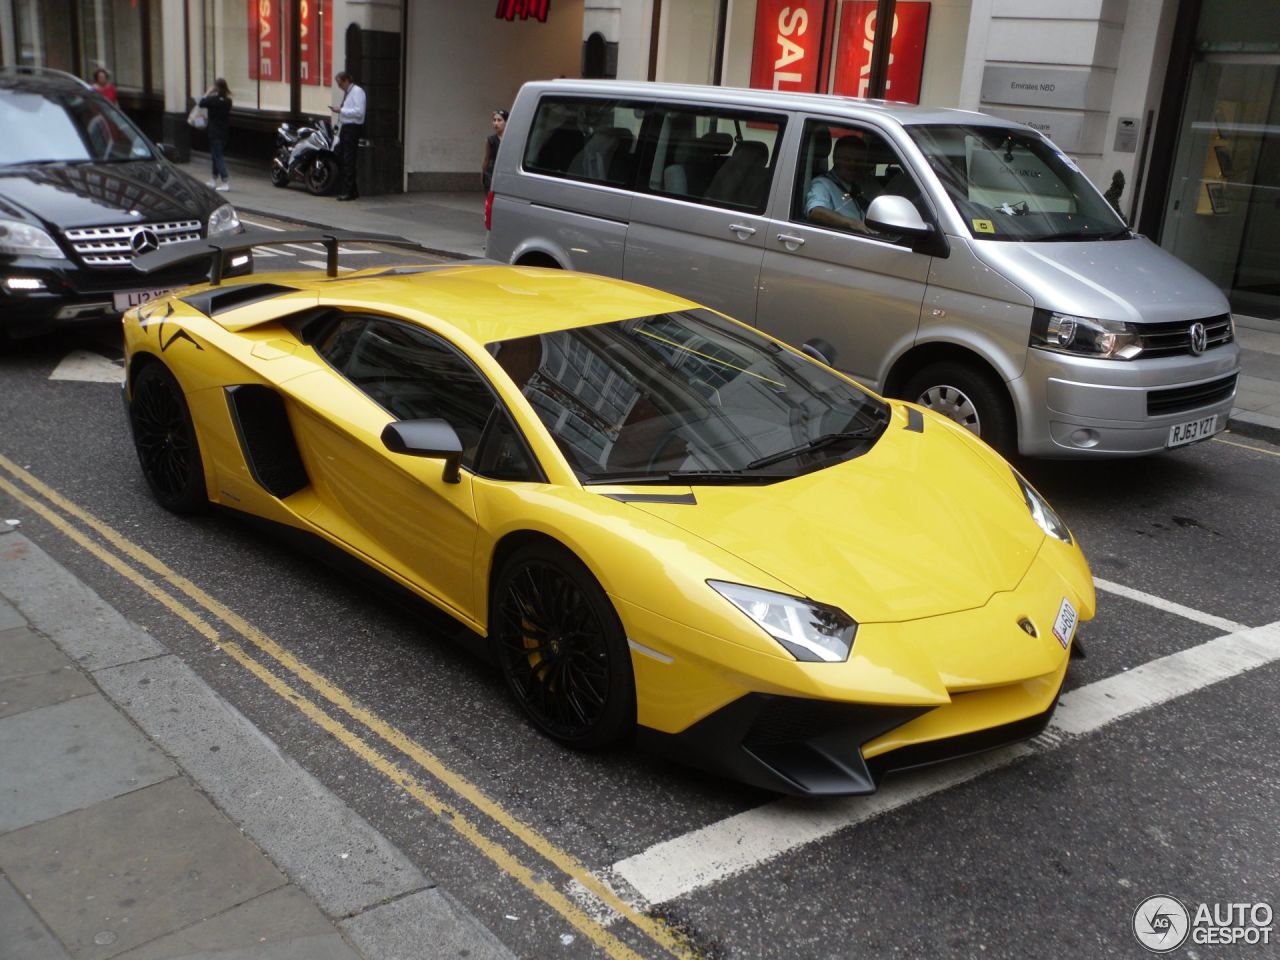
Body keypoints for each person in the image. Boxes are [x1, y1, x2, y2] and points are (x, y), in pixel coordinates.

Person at [805, 134, 876, 234]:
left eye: (858, 161)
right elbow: (816, 212)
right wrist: (853, 224)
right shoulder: (823, 183)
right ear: (835, 158)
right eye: (847, 159)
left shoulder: (867, 184)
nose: (853, 165)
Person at [329, 71, 366, 201]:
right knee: (342, 157)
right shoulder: (349, 92)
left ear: (346, 81)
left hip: (353, 128)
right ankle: (352, 190)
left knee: (348, 160)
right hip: (346, 127)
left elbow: (359, 112)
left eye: (339, 84)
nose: (339, 86)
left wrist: (341, 110)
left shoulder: (357, 92)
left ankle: (348, 191)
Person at [198, 78, 233, 191]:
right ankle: (213, 180)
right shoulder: (228, 101)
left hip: (214, 132)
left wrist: (208, 92)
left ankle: (225, 181)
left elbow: (201, 103)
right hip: (224, 132)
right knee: (215, 156)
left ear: (216, 88)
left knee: (218, 157)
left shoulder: (213, 100)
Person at [481, 109, 508, 190]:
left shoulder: (511, 140)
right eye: (494, 120)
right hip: (491, 175)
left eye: (499, 120)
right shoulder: (490, 140)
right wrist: (483, 175)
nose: (496, 123)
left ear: (506, 122)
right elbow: (487, 159)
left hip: (505, 176)